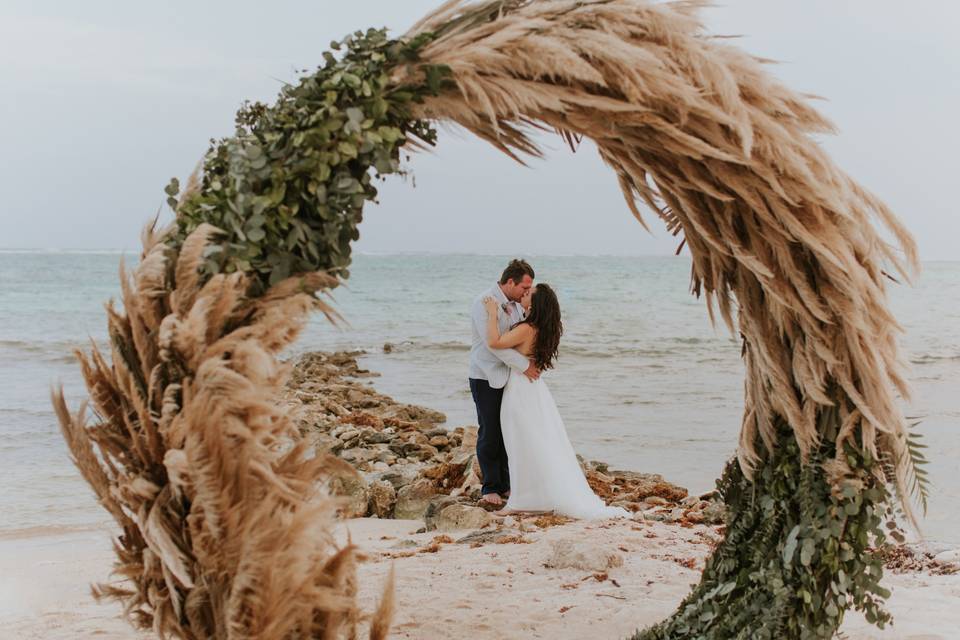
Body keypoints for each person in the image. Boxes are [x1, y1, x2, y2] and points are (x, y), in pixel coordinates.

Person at [482, 283, 629, 519]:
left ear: (536, 303)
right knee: (536, 442)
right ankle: (534, 495)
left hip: (520, 390)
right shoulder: (544, 328)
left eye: (529, 294)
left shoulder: (527, 329)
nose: (524, 294)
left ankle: (519, 500)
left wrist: (491, 314)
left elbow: (494, 343)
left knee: (519, 443)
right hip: (536, 390)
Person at [469, 259, 541, 509]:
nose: (527, 293)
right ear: (510, 282)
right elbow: (494, 344)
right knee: (489, 431)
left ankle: (506, 483)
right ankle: (490, 486)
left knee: (507, 430)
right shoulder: (484, 302)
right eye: (524, 287)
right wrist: (525, 366)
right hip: (485, 374)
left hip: (511, 379)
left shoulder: (520, 306)